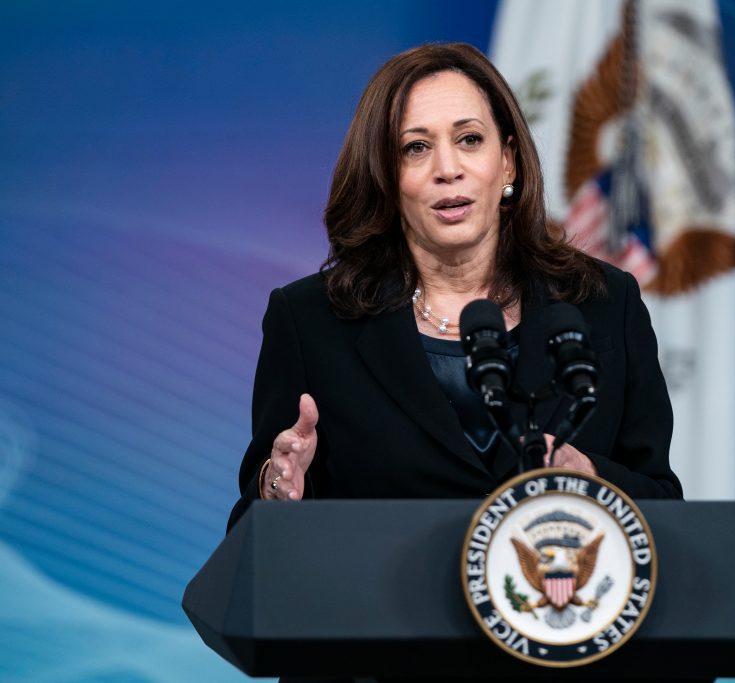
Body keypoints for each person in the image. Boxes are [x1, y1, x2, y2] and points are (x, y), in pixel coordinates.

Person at [227, 42, 681, 532]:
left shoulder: (605, 304)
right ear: (386, 174)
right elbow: (249, 544)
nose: (448, 168)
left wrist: (588, 477)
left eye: (469, 139)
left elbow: (663, 508)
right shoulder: (310, 321)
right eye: (415, 147)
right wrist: (278, 489)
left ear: (508, 162)